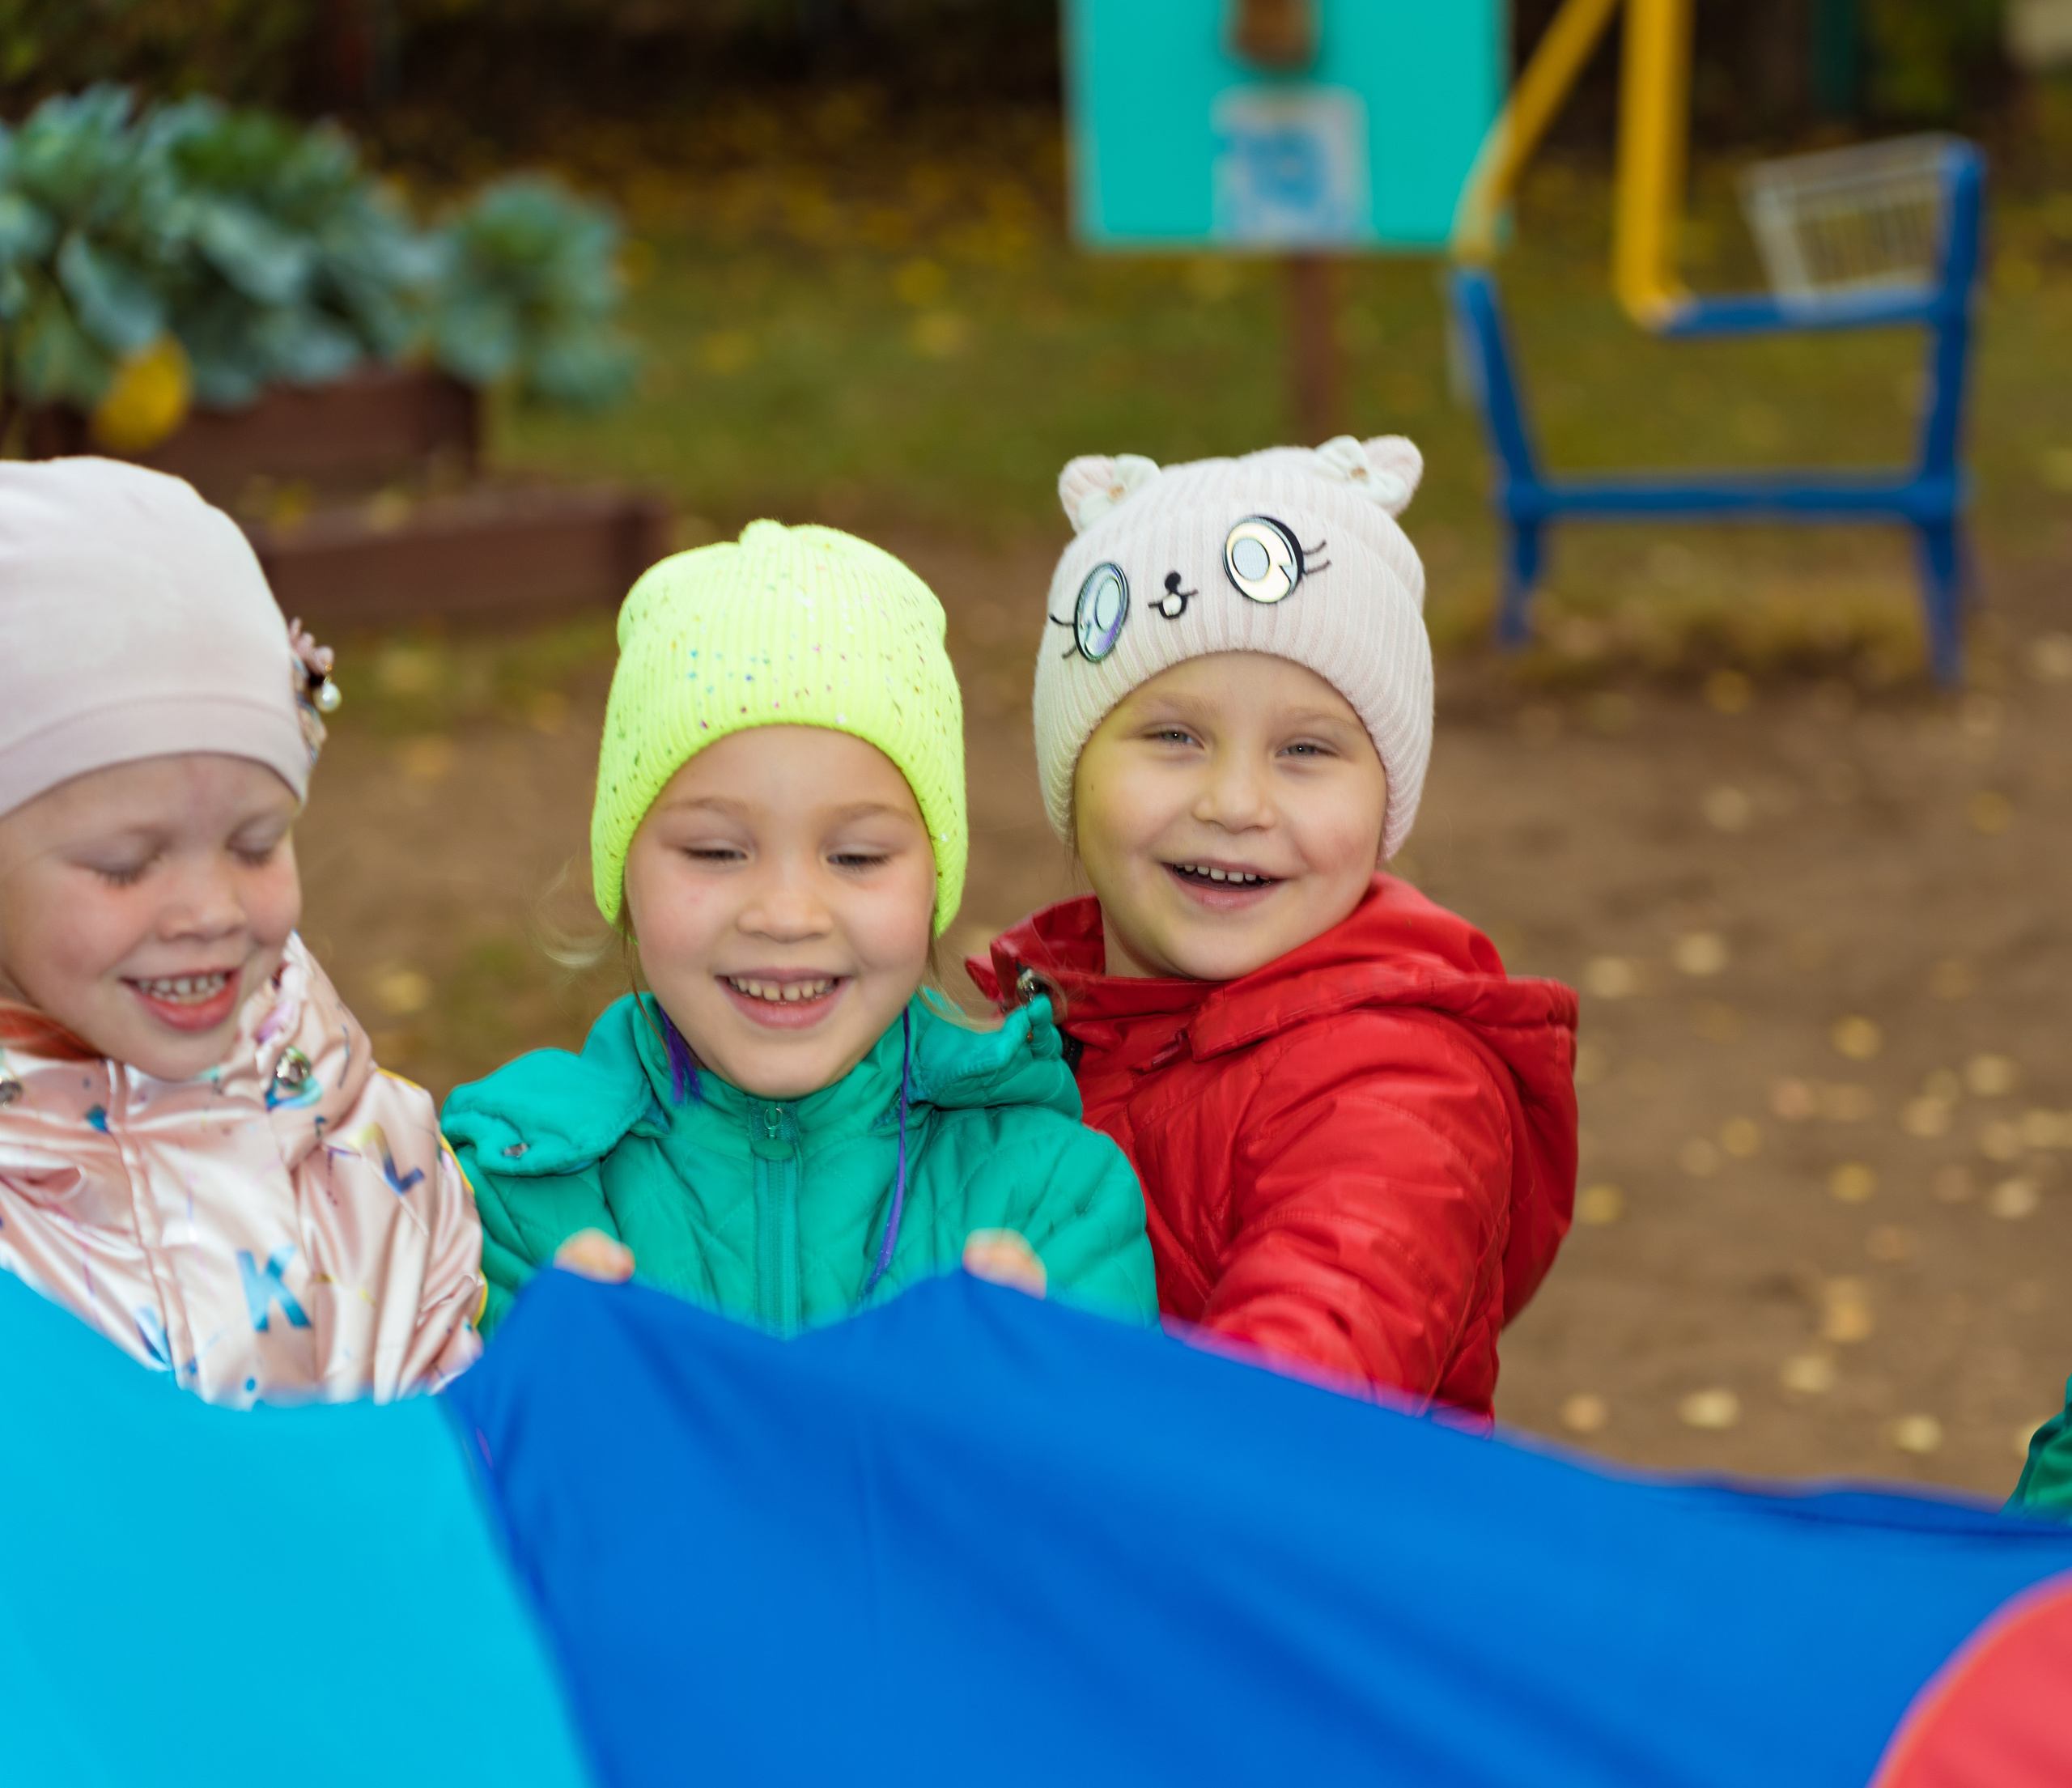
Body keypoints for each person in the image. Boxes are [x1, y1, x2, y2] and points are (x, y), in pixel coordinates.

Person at [967, 437, 1578, 1415]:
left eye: (1305, 748)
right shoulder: (1023, 1050)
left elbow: (1306, 1370)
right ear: (1071, 776)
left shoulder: (1396, 1091)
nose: (1236, 800)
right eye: (1173, 736)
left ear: (1385, 809)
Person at [444, 520, 1157, 1339]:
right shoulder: (516, 1193)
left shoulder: (1050, 1198)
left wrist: (1023, 1404)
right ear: (625, 883)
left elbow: (1108, 1459)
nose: (786, 915)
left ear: (932, 885)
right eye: (715, 851)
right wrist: (544, 1397)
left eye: (854, 856)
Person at [0, 459, 483, 1406]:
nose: (212, 909)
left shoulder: (365, 1141)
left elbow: (437, 1470)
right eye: (127, 863)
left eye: (256, 842)